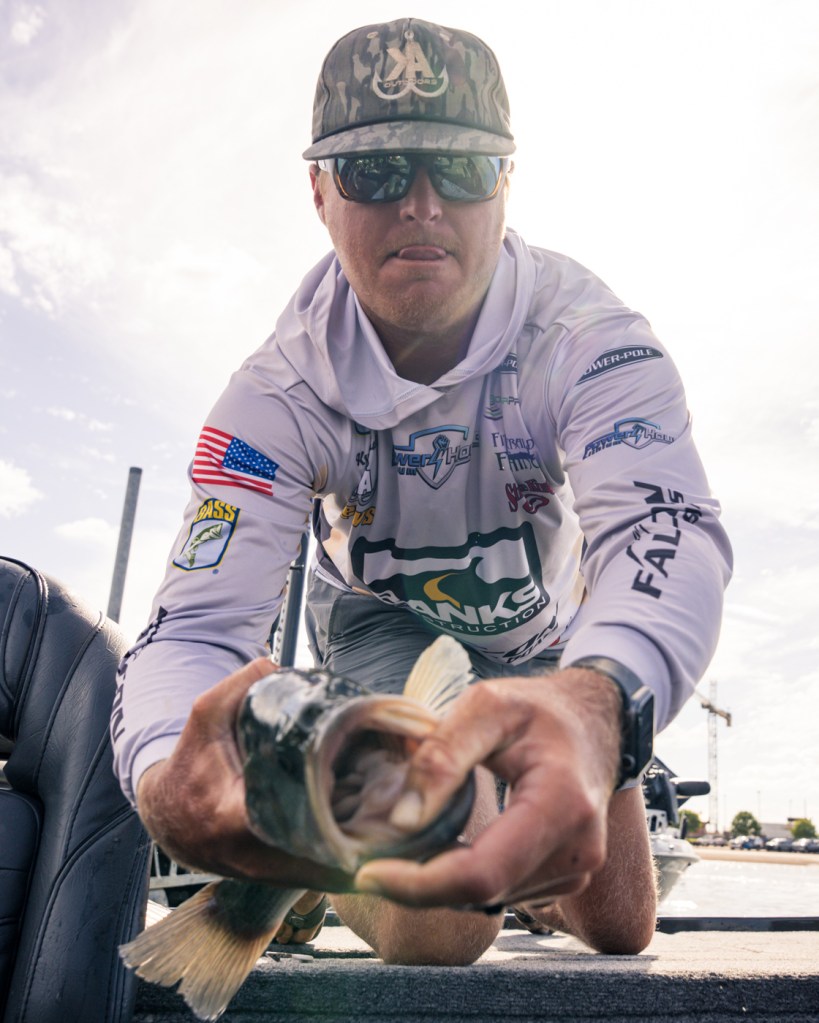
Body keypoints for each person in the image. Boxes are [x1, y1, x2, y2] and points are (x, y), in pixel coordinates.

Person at [111, 17, 732, 964]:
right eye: (376, 171)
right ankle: (314, 876)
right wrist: (168, 777)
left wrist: (598, 699)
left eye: (462, 169)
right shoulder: (274, 396)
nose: (422, 205)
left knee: (619, 925)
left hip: (548, 633)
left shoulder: (591, 339)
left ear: (507, 181)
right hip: (381, 623)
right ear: (319, 191)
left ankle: (510, 868)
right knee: (446, 916)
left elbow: (665, 524)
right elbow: (193, 629)